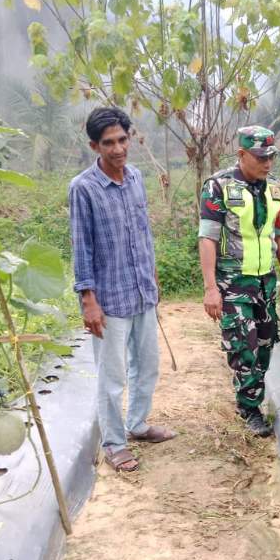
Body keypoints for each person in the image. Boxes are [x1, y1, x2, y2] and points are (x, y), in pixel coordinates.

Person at [70, 107, 176, 472]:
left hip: (142, 291)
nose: (117, 149)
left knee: (147, 366)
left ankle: (138, 424)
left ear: (130, 138)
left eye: (122, 140)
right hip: (109, 299)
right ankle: (114, 442)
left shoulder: (136, 178)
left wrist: (154, 275)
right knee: (111, 378)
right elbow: (81, 246)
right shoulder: (83, 188)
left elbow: (142, 233)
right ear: (94, 146)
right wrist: (88, 300)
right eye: (108, 143)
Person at [198, 126, 280, 437]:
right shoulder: (218, 186)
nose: (267, 164)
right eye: (260, 157)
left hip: (265, 281)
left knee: (265, 344)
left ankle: (253, 396)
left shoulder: (276, 189)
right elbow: (208, 238)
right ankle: (248, 408)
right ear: (241, 155)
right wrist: (211, 288)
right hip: (233, 282)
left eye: (271, 158)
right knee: (244, 346)